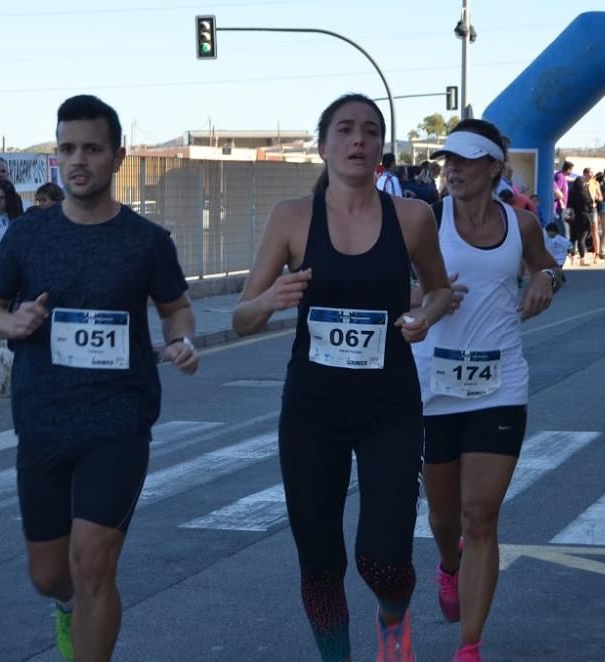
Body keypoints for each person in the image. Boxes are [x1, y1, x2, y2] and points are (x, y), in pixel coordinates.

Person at [0, 94, 199, 662]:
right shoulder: (29, 236)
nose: (79, 160)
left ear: (117, 157)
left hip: (119, 421)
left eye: (92, 149)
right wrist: (13, 320)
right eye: (68, 148)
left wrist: (182, 340)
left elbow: (175, 307)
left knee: (93, 563)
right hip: (43, 419)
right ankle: (66, 608)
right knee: (51, 574)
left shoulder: (147, 241)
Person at [232, 93, 452, 662]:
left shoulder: (412, 217)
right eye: (346, 130)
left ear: (382, 146)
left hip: (389, 407)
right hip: (312, 410)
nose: (359, 140)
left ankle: (394, 617)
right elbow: (240, 317)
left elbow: (441, 289)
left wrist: (424, 315)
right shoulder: (292, 217)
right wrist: (271, 300)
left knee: (383, 558)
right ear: (323, 143)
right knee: (321, 562)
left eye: (371, 131)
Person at [413, 119, 560, 662]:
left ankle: (468, 648)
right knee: (444, 517)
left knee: (481, 515)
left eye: (466, 159)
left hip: (500, 383)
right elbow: (391, 288)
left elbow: (546, 267)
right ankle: (448, 565)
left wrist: (546, 279)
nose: (452, 168)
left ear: (495, 166)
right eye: (447, 159)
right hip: (435, 384)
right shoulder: (425, 220)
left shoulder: (521, 225)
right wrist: (428, 296)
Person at [566, 174, 593, 267]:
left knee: (573, 238)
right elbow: (590, 204)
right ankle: (582, 259)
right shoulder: (584, 194)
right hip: (584, 218)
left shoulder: (572, 193)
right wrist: (588, 190)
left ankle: (572, 258)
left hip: (573, 219)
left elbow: (569, 205)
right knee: (582, 239)